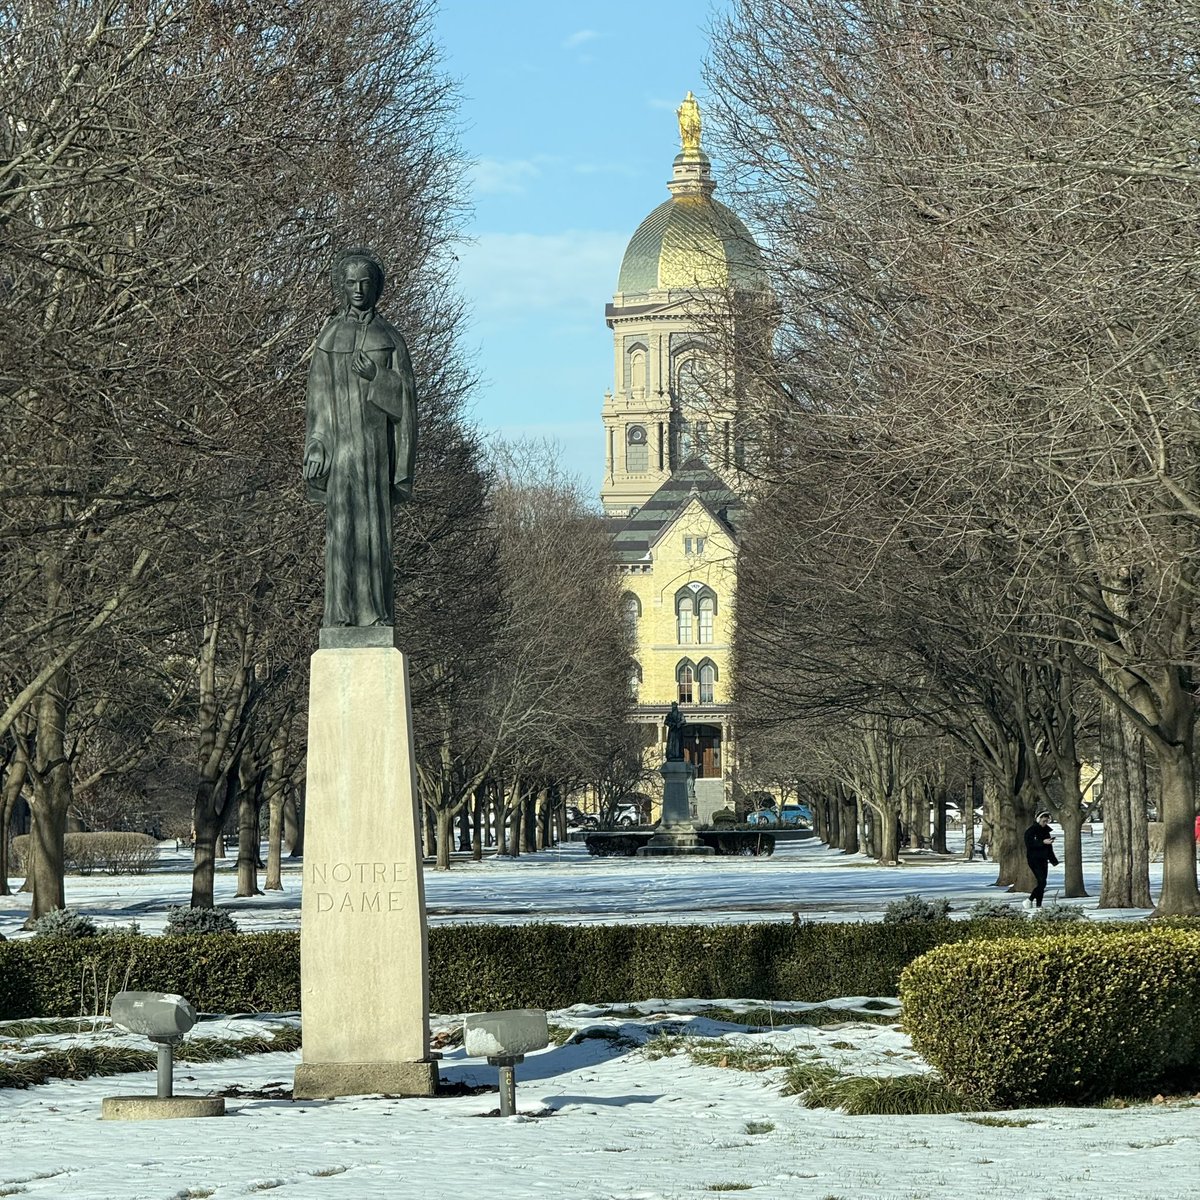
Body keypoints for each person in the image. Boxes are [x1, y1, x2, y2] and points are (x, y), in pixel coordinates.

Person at [303, 248, 417, 628]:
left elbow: (406, 401)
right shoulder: (329, 338)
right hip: (340, 452)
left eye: (365, 282)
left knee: (374, 533)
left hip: (373, 452)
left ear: (376, 287)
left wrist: (377, 377)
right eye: (350, 282)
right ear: (341, 287)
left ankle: (374, 611)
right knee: (341, 533)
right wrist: (317, 445)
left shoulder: (389, 338)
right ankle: (340, 612)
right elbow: (318, 400)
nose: (358, 289)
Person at [1023, 810, 1059, 910]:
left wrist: (1053, 860)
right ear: (1039, 820)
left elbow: (1049, 848)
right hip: (1034, 859)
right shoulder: (1031, 831)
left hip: (1043, 859)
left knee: (1042, 883)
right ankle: (1029, 900)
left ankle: (1039, 904)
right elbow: (1029, 843)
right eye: (1043, 821)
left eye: (1047, 821)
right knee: (1042, 881)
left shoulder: (1046, 831)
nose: (1045, 823)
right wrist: (1042, 842)